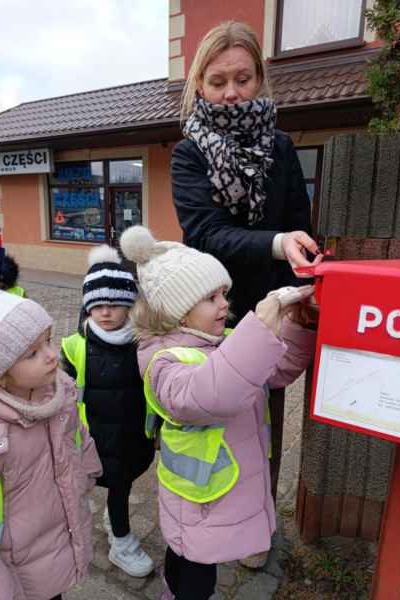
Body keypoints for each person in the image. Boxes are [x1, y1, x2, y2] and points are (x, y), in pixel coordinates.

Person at [171, 21, 323, 515]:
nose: (231, 93)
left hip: (270, 314)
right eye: (218, 81)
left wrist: (301, 292)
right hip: (207, 314)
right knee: (211, 423)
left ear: (259, 78)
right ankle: (204, 521)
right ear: (200, 85)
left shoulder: (281, 147)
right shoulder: (188, 154)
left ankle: (260, 519)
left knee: (266, 430)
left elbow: (300, 224)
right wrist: (278, 243)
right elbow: (205, 233)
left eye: (242, 79)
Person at [120, 226, 318, 600]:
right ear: (178, 313)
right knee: (194, 572)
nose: (224, 304)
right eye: (210, 297)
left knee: (195, 561)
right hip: (198, 499)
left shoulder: (222, 342)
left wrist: (297, 322)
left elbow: (278, 369)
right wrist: (258, 329)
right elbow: (212, 394)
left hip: (219, 490)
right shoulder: (162, 361)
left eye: (224, 293)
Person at [0, 251, 102, 600]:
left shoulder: (57, 393)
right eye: (32, 353)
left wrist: (87, 474)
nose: (51, 355)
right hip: (15, 578)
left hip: (54, 553)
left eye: (48, 341)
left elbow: (77, 438)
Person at [60, 244, 155, 578]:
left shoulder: (144, 342)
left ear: (129, 305)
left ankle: (116, 531)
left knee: (122, 484)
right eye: (97, 305)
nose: (105, 312)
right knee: (108, 489)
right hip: (92, 439)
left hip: (132, 436)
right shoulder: (74, 346)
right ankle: (120, 541)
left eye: (114, 304)